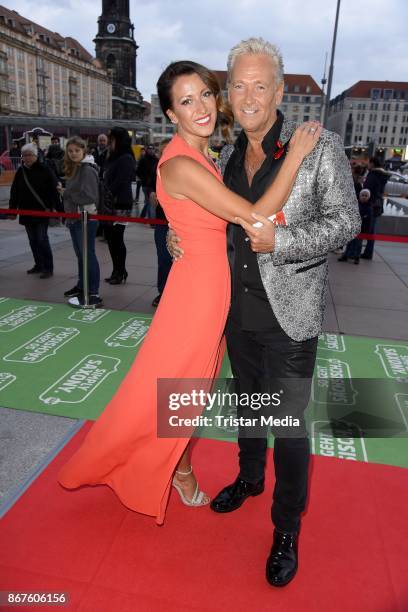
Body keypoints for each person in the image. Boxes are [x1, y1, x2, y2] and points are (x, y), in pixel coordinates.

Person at [58, 59, 320, 529]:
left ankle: (174, 465)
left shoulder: (205, 156)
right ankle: (175, 470)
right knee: (178, 391)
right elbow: (254, 215)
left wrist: (177, 234)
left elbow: (199, 218)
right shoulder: (181, 161)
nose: (199, 106)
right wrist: (296, 156)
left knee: (188, 393)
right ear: (170, 114)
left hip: (213, 291)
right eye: (185, 100)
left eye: (204, 94)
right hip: (197, 299)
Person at [168, 38, 360, 587]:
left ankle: (285, 527)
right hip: (236, 314)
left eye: (261, 84)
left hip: (291, 317)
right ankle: (249, 478)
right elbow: (212, 224)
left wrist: (284, 242)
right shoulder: (225, 154)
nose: (249, 96)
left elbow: (345, 223)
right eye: (239, 85)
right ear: (228, 93)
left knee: (290, 428)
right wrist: (178, 243)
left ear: (279, 90)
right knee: (250, 410)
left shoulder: (319, 148)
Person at [60, 136, 102, 307]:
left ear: (84, 150)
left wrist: (67, 194)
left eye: (77, 150)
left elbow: (90, 196)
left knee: (87, 255)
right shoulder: (77, 167)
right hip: (76, 218)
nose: (73, 154)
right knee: (81, 255)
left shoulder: (87, 169)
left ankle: (93, 292)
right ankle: (82, 286)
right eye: (70, 151)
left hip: (85, 218)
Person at [9, 143, 58, 278]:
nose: (27, 158)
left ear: (36, 156)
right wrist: (12, 210)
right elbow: (15, 191)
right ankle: (39, 264)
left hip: (42, 211)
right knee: (32, 240)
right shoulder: (20, 171)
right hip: (26, 212)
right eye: (25, 155)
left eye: (30, 155)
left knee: (42, 239)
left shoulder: (45, 169)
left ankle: (48, 267)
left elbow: (54, 189)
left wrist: (57, 208)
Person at [102, 127, 136, 285]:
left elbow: (122, 181)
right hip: (110, 202)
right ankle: (118, 270)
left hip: (120, 202)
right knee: (110, 238)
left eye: (112, 139)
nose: (109, 142)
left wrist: (107, 193)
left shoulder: (126, 157)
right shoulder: (113, 156)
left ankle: (120, 271)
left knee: (117, 238)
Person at [148, 139, 173, 307]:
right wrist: (151, 194)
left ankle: (178, 294)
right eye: (161, 151)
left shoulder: (182, 169)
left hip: (180, 223)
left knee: (180, 261)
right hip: (161, 221)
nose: (163, 154)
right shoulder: (156, 170)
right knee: (163, 259)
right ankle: (163, 292)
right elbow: (151, 189)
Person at [360, 156, 389, 260]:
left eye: (368, 163)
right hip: (378, 205)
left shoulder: (373, 175)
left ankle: (367, 253)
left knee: (368, 230)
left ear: (372, 163)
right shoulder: (382, 175)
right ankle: (369, 251)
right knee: (372, 230)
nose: (367, 165)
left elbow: (366, 190)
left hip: (370, 205)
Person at [137, 145, 158, 218]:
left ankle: (142, 216)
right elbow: (138, 171)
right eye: (149, 149)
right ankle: (150, 219)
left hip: (153, 184)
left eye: (152, 149)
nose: (151, 150)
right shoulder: (143, 159)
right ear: (147, 150)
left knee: (148, 201)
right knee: (149, 202)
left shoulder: (156, 160)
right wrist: (143, 178)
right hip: (145, 184)